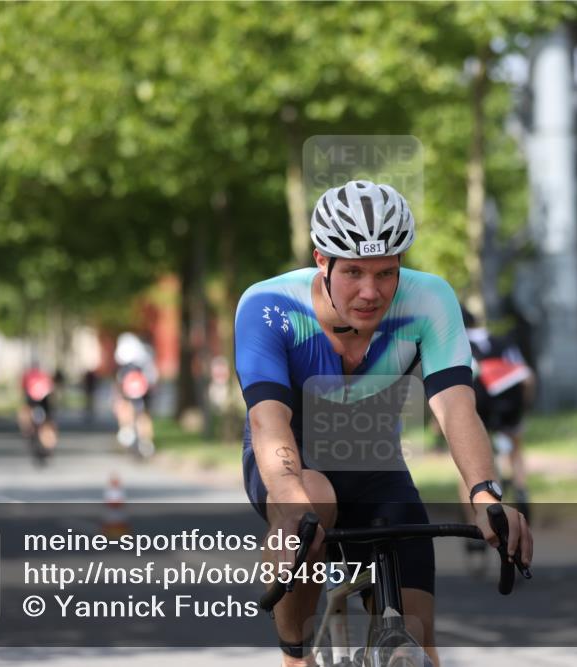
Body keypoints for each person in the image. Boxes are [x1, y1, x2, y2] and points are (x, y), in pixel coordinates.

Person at [234, 179, 533, 667]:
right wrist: (289, 506)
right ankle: (295, 658)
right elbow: (269, 422)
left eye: (386, 273)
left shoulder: (430, 300)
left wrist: (484, 495)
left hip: (375, 464)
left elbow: (456, 406)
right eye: (352, 272)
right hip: (293, 461)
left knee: (418, 642)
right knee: (311, 508)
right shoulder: (269, 307)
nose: (371, 292)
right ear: (320, 261)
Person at [458, 304, 534, 523]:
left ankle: (474, 522)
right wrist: (523, 408)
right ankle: (520, 487)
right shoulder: (503, 341)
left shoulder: (456, 345)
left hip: (478, 403)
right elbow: (528, 379)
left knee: (464, 462)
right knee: (515, 447)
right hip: (509, 402)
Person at [112, 332, 157, 451]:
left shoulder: (127, 365)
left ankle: (130, 431)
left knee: (127, 407)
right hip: (141, 390)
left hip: (137, 390)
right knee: (142, 414)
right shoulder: (145, 358)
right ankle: (144, 440)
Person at [18, 362, 58, 453]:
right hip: (41, 399)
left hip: (38, 399)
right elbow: (51, 389)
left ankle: (29, 431)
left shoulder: (30, 375)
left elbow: (23, 389)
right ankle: (47, 438)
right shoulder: (43, 375)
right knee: (47, 422)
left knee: (30, 416)